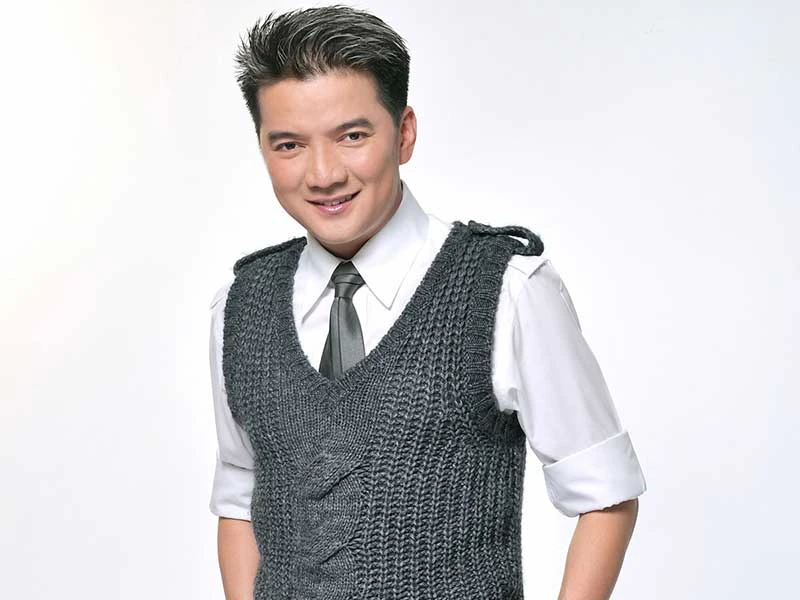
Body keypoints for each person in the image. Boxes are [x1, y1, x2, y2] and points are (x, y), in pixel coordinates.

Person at [208, 5, 646, 600]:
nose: (323, 173)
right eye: (289, 145)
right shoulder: (242, 305)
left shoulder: (504, 287)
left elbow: (605, 493)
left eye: (352, 136)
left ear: (404, 133)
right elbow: (239, 492)